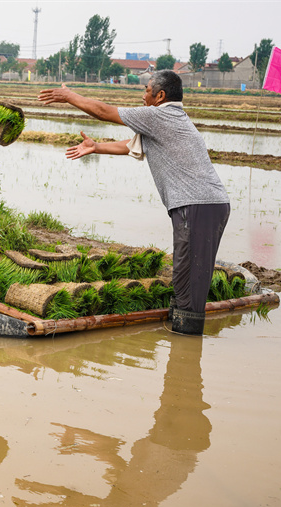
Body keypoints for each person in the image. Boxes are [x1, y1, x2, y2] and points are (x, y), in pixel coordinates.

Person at [38, 70, 230, 335]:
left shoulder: (158, 115)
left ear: (160, 95)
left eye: (147, 90)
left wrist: (69, 96)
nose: (143, 96)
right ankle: (183, 341)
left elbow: (105, 112)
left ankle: (186, 341)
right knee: (188, 271)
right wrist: (96, 146)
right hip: (204, 205)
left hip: (197, 205)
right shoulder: (168, 119)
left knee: (189, 274)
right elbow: (132, 145)